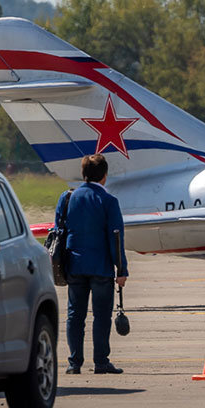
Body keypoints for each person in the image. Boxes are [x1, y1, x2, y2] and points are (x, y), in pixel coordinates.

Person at [57, 154, 129, 374]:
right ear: (104, 176)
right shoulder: (109, 201)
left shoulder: (67, 198)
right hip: (100, 267)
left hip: (74, 265)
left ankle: (74, 363)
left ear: (83, 174)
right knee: (101, 316)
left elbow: (59, 231)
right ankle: (101, 362)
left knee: (74, 316)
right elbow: (116, 237)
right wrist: (121, 270)